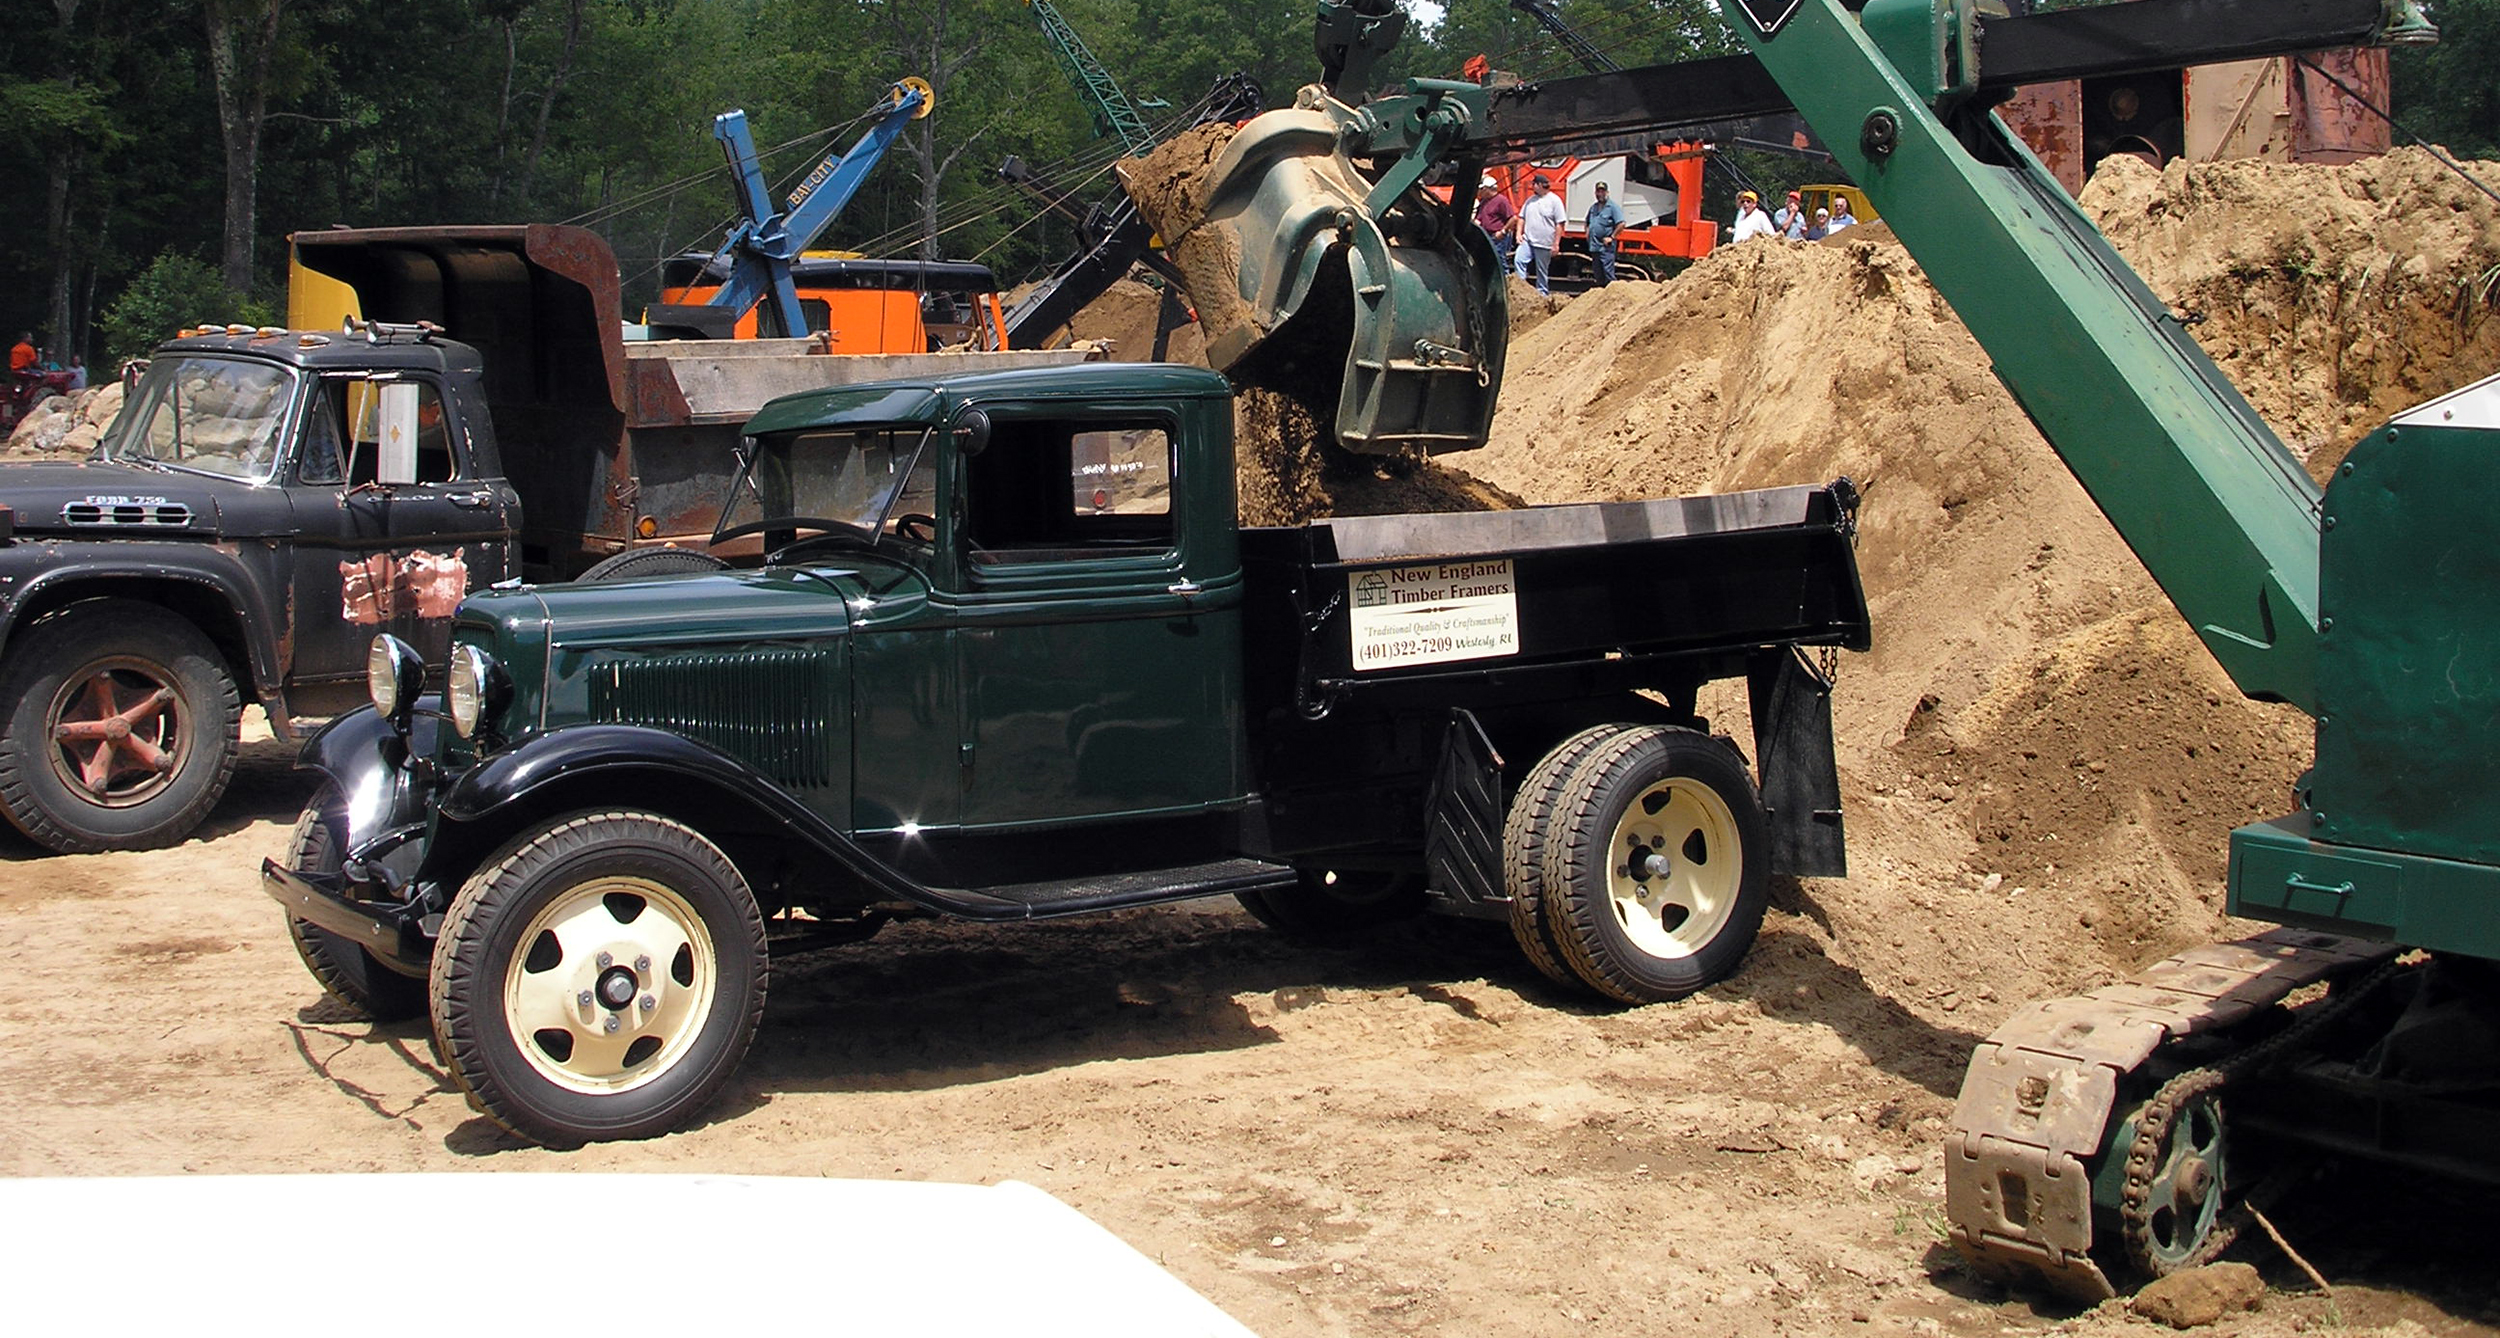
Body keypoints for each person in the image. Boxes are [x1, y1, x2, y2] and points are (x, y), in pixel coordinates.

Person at [1517, 175, 1570, 296]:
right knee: (1519, 260)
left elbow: (1559, 224)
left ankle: (1542, 293)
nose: (1532, 186)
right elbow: (1521, 218)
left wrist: (1556, 244)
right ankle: (1520, 289)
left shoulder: (1554, 201)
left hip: (1544, 243)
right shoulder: (1530, 200)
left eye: (1534, 184)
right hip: (1528, 241)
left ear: (1540, 185)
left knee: (1541, 270)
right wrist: (1518, 233)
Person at [1584, 181, 1624, 287]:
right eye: (1598, 191)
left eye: (1602, 191)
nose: (1600, 194)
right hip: (1595, 246)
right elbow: (1587, 222)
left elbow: (1621, 223)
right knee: (1598, 273)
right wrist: (1587, 233)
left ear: (1607, 192)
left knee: (1608, 272)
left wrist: (1612, 237)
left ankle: (1613, 294)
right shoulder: (1593, 208)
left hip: (1606, 247)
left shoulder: (1612, 207)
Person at [1474, 176, 1517, 273]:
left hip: (1497, 237)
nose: (1480, 192)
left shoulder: (1501, 200)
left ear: (1488, 189)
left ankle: (1505, 280)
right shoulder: (1484, 202)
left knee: (1499, 260)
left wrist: (1503, 231)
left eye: (1482, 189)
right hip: (1486, 235)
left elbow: (1513, 218)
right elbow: (1479, 218)